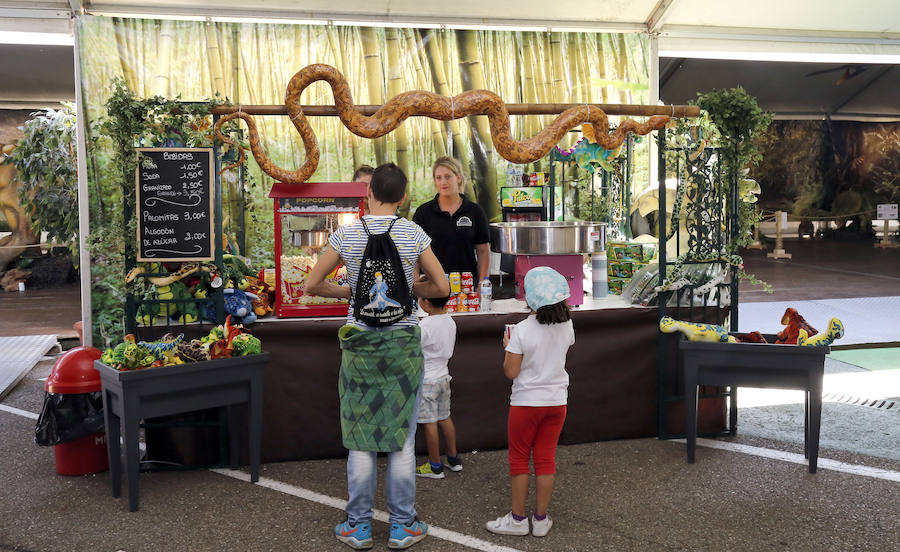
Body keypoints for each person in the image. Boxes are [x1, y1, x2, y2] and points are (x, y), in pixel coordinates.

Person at [306, 162, 449, 550]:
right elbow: (442, 284)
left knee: (360, 439)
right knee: (402, 440)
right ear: (403, 197)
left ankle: (359, 526)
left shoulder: (347, 235)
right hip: (402, 345)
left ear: (367, 194)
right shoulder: (413, 232)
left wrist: (351, 293)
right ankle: (403, 527)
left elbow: (312, 284)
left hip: (360, 346)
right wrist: (407, 286)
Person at [485, 266, 574, 539]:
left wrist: (507, 348)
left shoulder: (521, 330)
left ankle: (517, 519)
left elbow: (511, 372)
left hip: (525, 403)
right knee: (546, 458)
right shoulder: (568, 325)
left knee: (520, 459)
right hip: (557, 402)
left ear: (530, 298)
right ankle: (541, 519)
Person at [412, 157, 491, 282]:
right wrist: (416, 287)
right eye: (439, 177)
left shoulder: (475, 211)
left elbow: (483, 251)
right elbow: (414, 255)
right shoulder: (423, 212)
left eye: (447, 176)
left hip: (467, 286)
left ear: (458, 178)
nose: (443, 182)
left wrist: (483, 283)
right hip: (433, 286)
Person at [414, 294, 462, 479]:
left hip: (427, 379)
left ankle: (435, 465)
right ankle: (453, 458)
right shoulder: (450, 321)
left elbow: (414, 348)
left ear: (426, 302)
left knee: (429, 422)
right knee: (445, 417)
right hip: (443, 376)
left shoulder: (424, 326)